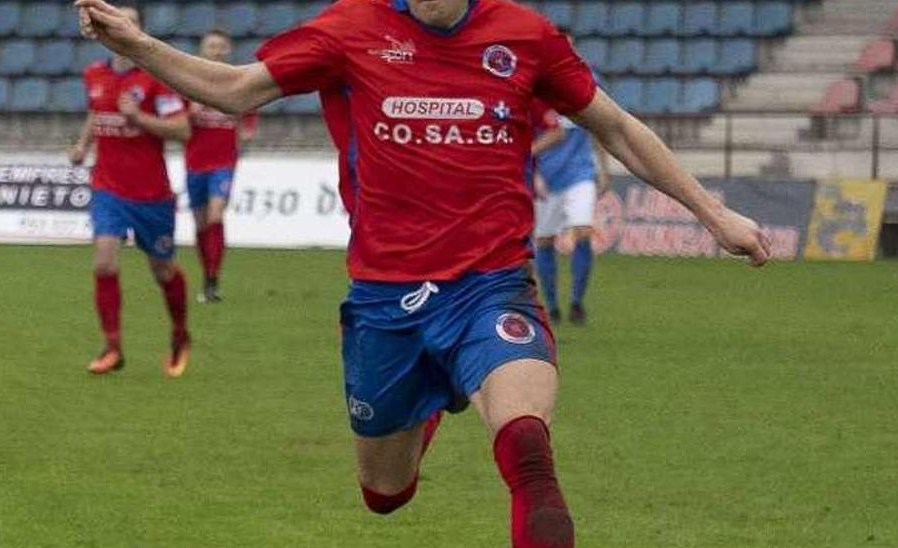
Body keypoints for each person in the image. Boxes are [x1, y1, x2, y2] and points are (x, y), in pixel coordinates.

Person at [74, 0, 772, 545]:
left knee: (527, 444)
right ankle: (436, 395)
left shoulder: (524, 37)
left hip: (492, 283)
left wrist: (714, 215)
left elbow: (615, 126)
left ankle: (469, 378)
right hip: (386, 300)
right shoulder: (351, 28)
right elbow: (233, 89)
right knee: (384, 494)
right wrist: (136, 45)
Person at [69, 3, 193, 377]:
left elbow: (183, 130)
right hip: (108, 187)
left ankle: (179, 333)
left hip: (151, 195)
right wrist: (82, 145)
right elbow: (96, 111)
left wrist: (139, 118)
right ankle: (112, 347)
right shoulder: (93, 74)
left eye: (131, 21)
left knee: (163, 271)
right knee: (104, 260)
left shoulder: (156, 80)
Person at [185, 29, 259, 303]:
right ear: (202, 51)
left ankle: (214, 277)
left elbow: (250, 114)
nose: (215, 50)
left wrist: (246, 130)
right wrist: (189, 113)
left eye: (220, 46)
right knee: (201, 222)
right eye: (211, 46)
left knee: (216, 215)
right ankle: (207, 276)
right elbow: (177, 120)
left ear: (227, 50)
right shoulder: (190, 83)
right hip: (195, 162)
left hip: (224, 162)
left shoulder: (237, 82)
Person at [531, 95, 612, 326]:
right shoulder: (534, 87)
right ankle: (553, 306)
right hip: (546, 176)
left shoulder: (583, 81)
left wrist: (603, 170)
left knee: (583, 229)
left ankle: (577, 302)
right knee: (544, 240)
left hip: (580, 175)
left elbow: (596, 126)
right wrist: (533, 173)